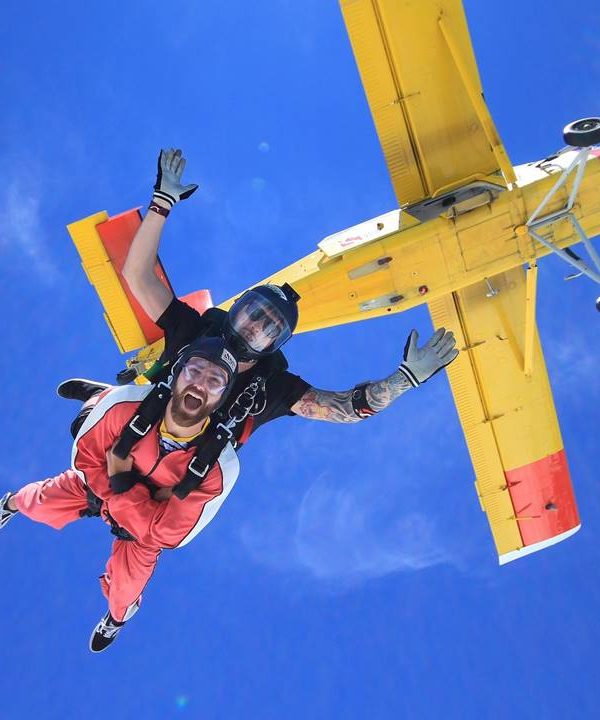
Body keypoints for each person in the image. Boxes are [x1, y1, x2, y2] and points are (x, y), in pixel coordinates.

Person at [62, 148, 459, 450]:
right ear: (233, 311)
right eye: (253, 314)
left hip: (184, 462)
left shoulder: (273, 387)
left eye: (269, 328)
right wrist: (161, 203)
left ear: (276, 346)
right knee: (94, 425)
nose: (255, 326)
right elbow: (136, 275)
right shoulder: (192, 329)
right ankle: (103, 399)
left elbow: (345, 409)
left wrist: (405, 379)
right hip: (143, 416)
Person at [0, 336, 240, 653]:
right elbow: (85, 459)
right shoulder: (129, 405)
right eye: (194, 371)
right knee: (42, 499)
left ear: (222, 398)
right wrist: (142, 497)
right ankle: (10, 503)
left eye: (215, 381)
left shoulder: (219, 465)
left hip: (133, 520)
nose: (200, 384)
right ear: (177, 374)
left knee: (126, 588)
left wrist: (122, 482)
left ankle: (116, 619)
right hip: (110, 492)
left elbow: (170, 534)